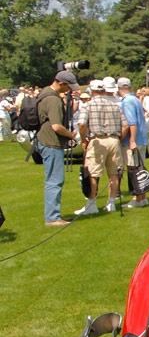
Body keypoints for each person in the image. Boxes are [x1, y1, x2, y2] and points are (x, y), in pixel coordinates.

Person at [75, 77, 127, 215]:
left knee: (93, 173)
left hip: (97, 139)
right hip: (114, 139)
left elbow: (81, 124)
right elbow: (125, 125)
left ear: (91, 91)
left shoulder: (88, 105)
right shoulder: (115, 105)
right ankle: (111, 203)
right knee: (114, 173)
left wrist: (83, 140)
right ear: (104, 90)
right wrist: (119, 139)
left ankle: (91, 203)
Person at [37, 70, 81, 226]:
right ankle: (52, 218)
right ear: (61, 83)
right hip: (51, 142)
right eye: (68, 87)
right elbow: (56, 126)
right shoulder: (53, 100)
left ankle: (54, 215)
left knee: (54, 179)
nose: (70, 90)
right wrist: (70, 135)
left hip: (46, 141)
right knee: (55, 180)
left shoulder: (45, 93)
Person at [117, 76, 149, 208]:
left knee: (134, 169)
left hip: (134, 140)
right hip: (142, 138)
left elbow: (131, 123)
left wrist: (131, 140)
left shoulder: (126, 102)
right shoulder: (135, 99)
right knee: (140, 169)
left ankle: (137, 199)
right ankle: (143, 197)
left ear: (119, 88)